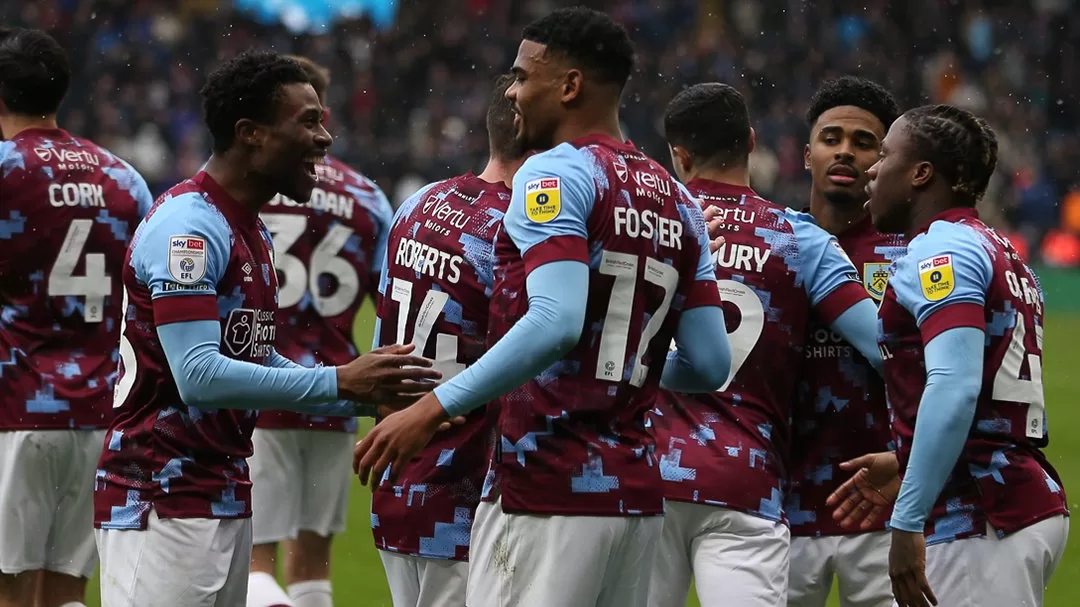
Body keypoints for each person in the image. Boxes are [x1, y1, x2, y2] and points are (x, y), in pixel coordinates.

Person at [355, 8, 732, 607]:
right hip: (635, 496)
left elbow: (555, 322)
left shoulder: (554, 173)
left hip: (545, 487)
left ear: (570, 85)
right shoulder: (678, 200)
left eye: (523, 77)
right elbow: (712, 363)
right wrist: (617, 359)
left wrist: (431, 407)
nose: (514, 93)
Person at [92, 50, 440, 607]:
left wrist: (370, 397)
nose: (325, 139)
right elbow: (198, 375)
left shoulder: (249, 229)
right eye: (308, 122)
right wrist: (338, 384)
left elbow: (258, 358)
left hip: (220, 493)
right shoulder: (190, 228)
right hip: (160, 498)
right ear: (250, 133)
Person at [646, 83, 882, 607]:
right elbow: (888, 351)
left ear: (679, 156)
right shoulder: (800, 240)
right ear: (753, 142)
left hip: (647, 475)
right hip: (745, 481)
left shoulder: (649, 228)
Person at [834, 103, 1069, 607]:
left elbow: (956, 384)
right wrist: (906, 458)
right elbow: (984, 394)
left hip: (977, 517)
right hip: (1007, 503)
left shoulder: (941, 252)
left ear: (921, 173)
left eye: (886, 155)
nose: (872, 169)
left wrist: (907, 518)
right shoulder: (999, 249)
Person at [0, 28, 153, 607]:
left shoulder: (6, 169)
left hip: (15, 406)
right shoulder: (123, 179)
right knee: (65, 591)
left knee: (9, 591)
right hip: (98, 413)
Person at [371, 72, 527, 607]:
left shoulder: (417, 205)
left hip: (400, 483)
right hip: (471, 498)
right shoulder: (518, 229)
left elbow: (379, 345)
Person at [246, 55, 394, 607]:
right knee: (313, 565)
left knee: (254, 560)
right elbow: (389, 302)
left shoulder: (253, 184)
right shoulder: (366, 198)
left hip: (259, 386)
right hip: (339, 387)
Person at [785, 76, 905, 607]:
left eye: (864, 143)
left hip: (884, 506)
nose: (845, 152)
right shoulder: (772, 242)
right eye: (831, 138)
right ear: (807, 153)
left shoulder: (918, 252)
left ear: (885, 159)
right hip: (778, 506)